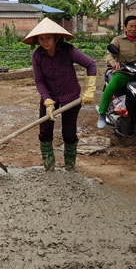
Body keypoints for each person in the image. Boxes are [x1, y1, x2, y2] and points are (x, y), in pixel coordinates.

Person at [23, 18, 97, 171]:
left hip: (70, 95)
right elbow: (39, 81)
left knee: (69, 134)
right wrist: (47, 100)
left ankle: (70, 167)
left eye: (48, 38)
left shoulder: (68, 51)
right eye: (41, 39)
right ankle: (49, 168)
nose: (45, 42)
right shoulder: (37, 56)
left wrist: (90, 89)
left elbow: (90, 64)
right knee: (44, 132)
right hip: (49, 96)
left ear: (55, 37)